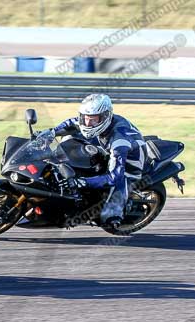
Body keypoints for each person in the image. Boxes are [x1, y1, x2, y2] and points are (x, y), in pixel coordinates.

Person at [40, 93, 149, 227]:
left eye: (93, 119)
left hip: (130, 163)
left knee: (111, 206)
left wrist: (81, 182)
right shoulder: (92, 122)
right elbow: (71, 124)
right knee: (69, 139)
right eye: (85, 118)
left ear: (105, 117)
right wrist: (50, 133)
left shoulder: (119, 141)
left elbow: (114, 177)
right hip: (105, 145)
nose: (88, 123)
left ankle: (115, 215)